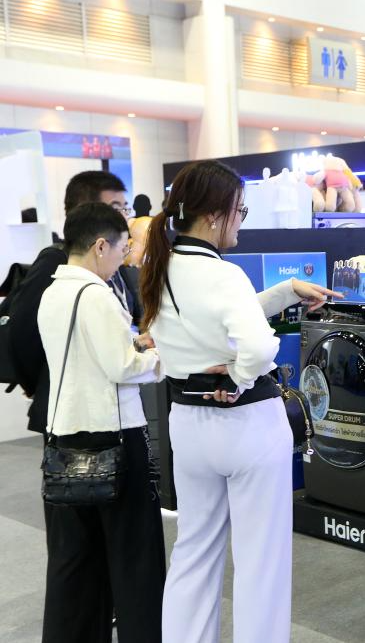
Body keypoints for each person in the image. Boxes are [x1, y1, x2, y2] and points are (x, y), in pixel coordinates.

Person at [139, 161, 338, 643]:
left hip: (189, 425)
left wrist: (285, 292)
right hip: (248, 425)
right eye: (240, 211)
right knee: (260, 561)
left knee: (193, 551)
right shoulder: (222, 274)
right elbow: (259, 347)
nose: (241, 222)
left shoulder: (160, 267)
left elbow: (212, 318)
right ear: (214, 215)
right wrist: (239, 377)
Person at [38, 203, 164, 643]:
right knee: (136, 560)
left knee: (75, 565)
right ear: (99, 246)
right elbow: (122, 367)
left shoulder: (53, 292)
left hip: (64, 440)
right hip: (115, 439)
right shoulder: (96, 295)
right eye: (122, 248)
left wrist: (132, 344)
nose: (123, 258)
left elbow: (89, 356)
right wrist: (157, 356)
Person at [8, 170, 139, 435]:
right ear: (85, 211)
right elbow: (21, 330)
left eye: (125, 208)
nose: (124, 216)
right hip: (73, 411)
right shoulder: (56, 261)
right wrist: (40, 383)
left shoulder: (114, 259)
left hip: (112, 403)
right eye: (115, 208)